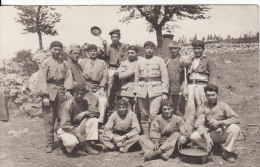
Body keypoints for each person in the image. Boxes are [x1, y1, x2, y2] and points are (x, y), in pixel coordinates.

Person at [190, 84, 240, 163]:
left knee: (235, 128)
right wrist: (206, 136)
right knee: (193, 136)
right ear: (205, 96)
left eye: (213, 95)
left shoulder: (223, 105)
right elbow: (199, 124)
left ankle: (226, 152)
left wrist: (220, 122)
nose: (211, 97)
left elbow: (236, 118)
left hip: (222, 133)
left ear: (217, 94)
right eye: (208, 95)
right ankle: (212, 148)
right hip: (210, 134)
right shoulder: (202, 107)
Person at [36, 41, 69, 153]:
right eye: (54, 49)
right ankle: (49, 144)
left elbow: (68, 78)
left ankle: (62, 143)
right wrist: (45, 96)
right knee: (49, 119)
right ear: (50, 50)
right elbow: (41, 80)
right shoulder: (45, 63)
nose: (57, 51)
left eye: (59, 49)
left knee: (62, 118)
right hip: (49, 92)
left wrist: (68, 90)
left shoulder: (64, 63)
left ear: (61, 50)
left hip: (61, 91)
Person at [134, 41, 169, 135]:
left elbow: (165, 77)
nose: (149, 50)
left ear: (154, 50)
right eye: (147, 48)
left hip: (156, 90)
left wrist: (165, 92)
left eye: (151, 48)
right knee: (144, 115)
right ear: (144, 49)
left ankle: (154, 135)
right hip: (142, 90)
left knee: (153, 115)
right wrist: (135, 92)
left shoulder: (159, 60)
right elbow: (136, 78)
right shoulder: (139, 61)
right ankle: (146, 136)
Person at [184, 40, 217, 136]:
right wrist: (185, 88)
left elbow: (213, 76)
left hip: (202, 87)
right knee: (190, 110)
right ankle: (189, 134)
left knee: (203, 109)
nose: (197, 51)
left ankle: (207, 133)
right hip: (191, 87)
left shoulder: (208, 60)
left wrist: (211, 90)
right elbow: (186, 77)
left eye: (199, 49)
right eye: (194, 49)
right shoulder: (190, 60)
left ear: (203, 49)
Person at [57, 84, 100, 155]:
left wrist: (85, 112)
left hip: (76, 127)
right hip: (65, 129)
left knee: (93, 120)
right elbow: (64, 124)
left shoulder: (85, 101)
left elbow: (97, 113)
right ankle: (62, 144)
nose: (79, 96)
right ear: (73, 93)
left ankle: (87, 145)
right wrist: (79, 135)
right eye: (77, 94)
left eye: (81, 94)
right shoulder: (69, 104)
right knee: (71, 145)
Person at [79, 44, 108, 126]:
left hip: (98, 86)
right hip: (86, 86)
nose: (93, 53)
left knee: (103, 100)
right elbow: (79, 74)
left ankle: (99, 122)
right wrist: (85, 86)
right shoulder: (83, 61)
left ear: (97, 52)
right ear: (87, 52)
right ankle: (86, 122)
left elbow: (105, 75)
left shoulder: (102, 62)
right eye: (91, 51)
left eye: (94, 51)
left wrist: (102, 87)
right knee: (87, 102)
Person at [101, 29, 129, 109]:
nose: (115, 38)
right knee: (109, 87)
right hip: (112, 69)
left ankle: (122, 106)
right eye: (113, 37)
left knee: (122, 87)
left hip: (123, 69)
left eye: (116, 37)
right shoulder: (109, 47)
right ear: (111, 38)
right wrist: (104, 46)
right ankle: (108, 106)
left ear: (120, 37)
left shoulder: (125, 46)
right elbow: (104, 56)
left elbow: (127, 57)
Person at [164, 41, 185, 117]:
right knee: (169, 109)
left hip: (179, 89)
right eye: (171, 49)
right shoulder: (167, 60)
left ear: (179, 49)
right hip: (169, 90)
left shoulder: (183, 60)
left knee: (180, 110)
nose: (173, 51)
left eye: (175, 49)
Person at [116, 45, 139, 110]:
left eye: (132, 53)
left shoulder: (141, 61)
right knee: (126, 109)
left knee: (137, 110)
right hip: (126, 89)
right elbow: (120, 76)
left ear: (137, 53)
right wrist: (132, 71)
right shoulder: (124, 63)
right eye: (128, 53)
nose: (130, 55)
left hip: (138, 88)